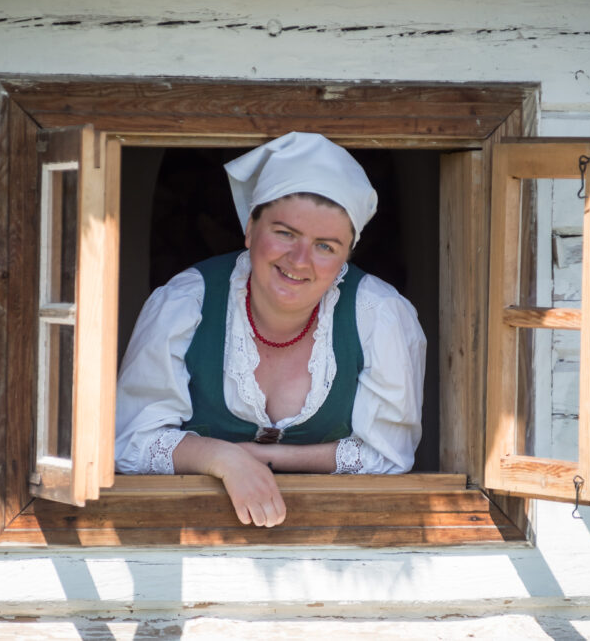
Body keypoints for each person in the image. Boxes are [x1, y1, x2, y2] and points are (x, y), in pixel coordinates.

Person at [115, 132, 426, 528]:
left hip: (336, 537)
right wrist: (219, 458)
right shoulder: (185, 303)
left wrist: (259, 459)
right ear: (250, 229)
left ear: (347, 255)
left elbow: (389, 455)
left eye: (326, 246)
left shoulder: (378, 315)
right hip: (187, 535)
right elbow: (130, 442)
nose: (299, 260)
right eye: (285, 233)